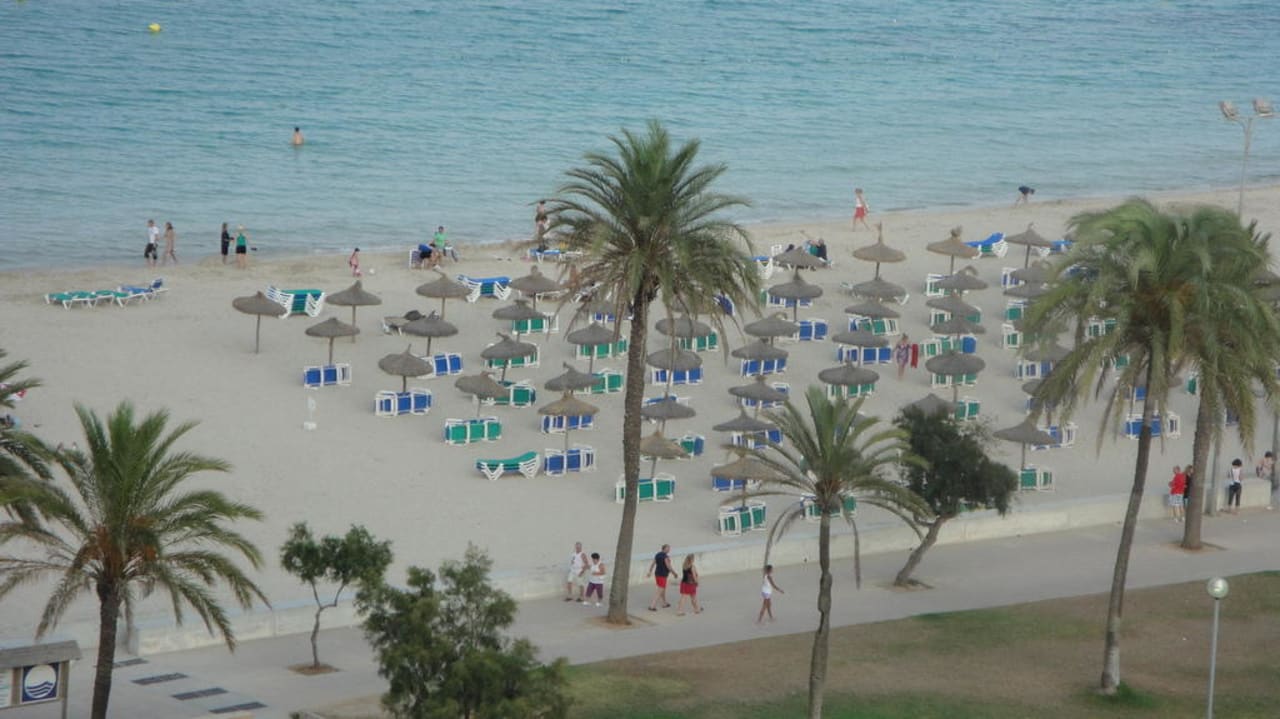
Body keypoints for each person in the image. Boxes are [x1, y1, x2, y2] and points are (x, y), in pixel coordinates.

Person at [646, 543, 674, 611]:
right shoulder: (665, 557)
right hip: (662, 575)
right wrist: (674, 573)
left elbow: (653, 564)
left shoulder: (657, 555)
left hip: (657, 574)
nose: (669, 549)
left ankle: (664, 603)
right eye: (668, 548)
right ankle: (652, 606)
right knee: (660, 591)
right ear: (664, 549)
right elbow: (668, 566)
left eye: (669, 548)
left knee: (663, 589)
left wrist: (650, 571)